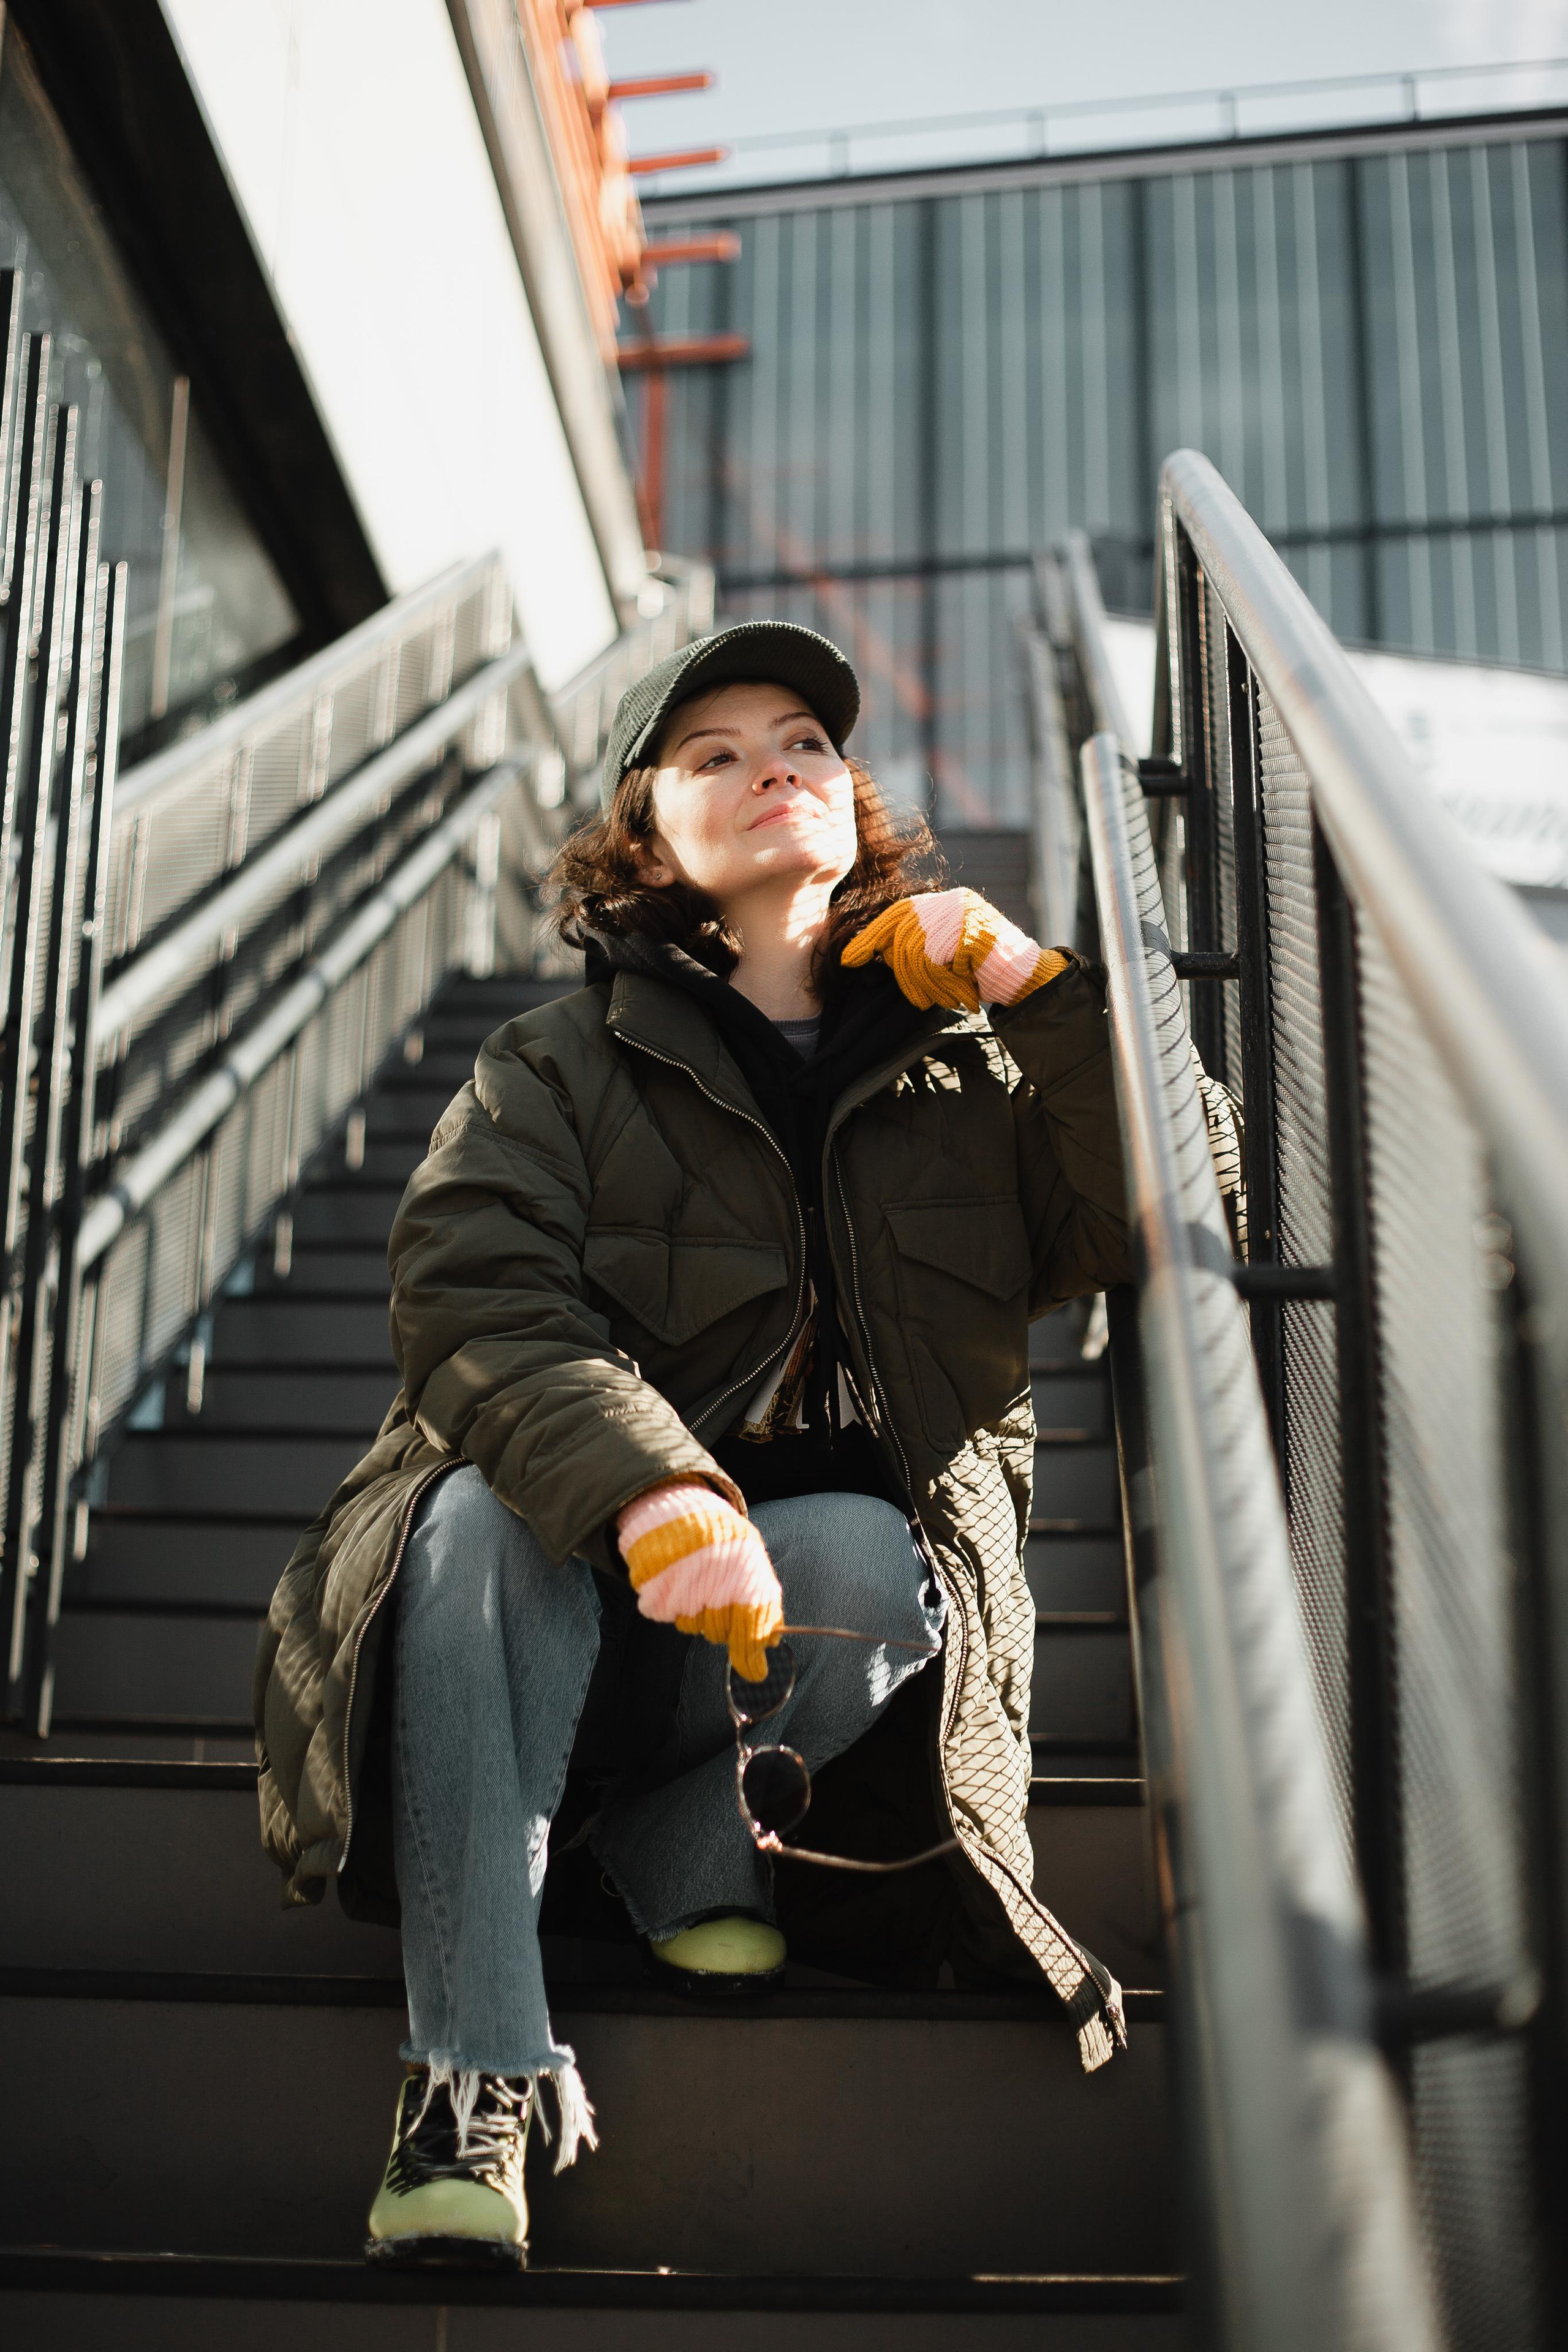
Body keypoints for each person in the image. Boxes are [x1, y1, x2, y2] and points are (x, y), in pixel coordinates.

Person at [253, 620, 1136, 2272]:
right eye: (710, 755)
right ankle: (474, 2079)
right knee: (471, 1525)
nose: (770, 770)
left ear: (853, 795)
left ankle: (677, 1832)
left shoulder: (967, 1063)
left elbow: (1173, 1219)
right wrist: (655, 1485)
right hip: (544, 1592)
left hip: (772, 1642)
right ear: (645, 838)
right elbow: (475, 1287)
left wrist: (1045, 990)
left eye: (802, 740)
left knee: (878, 1563)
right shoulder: (556, 1061)